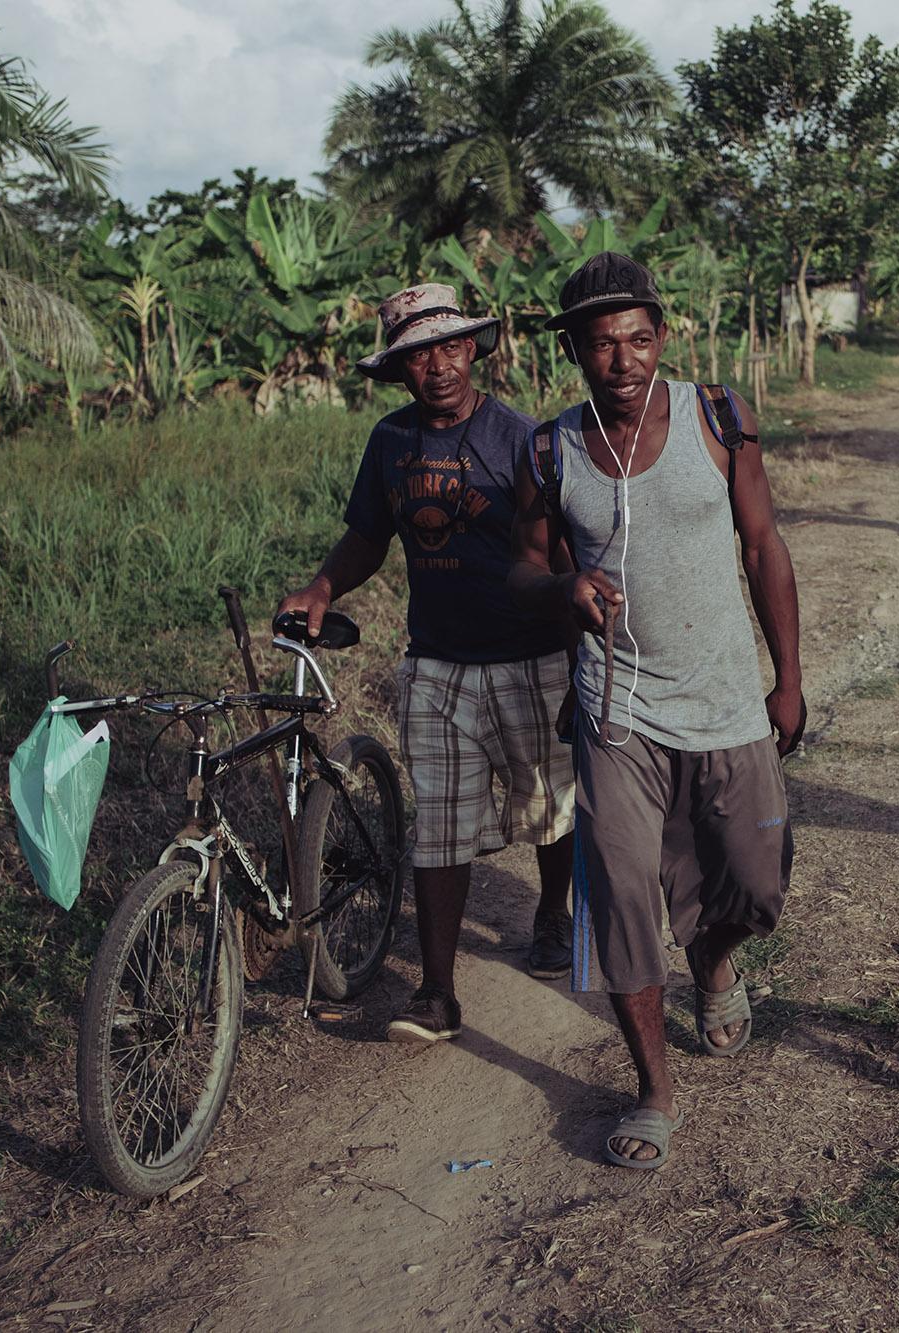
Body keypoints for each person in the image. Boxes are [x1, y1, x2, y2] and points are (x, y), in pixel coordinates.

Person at [508, 252, 806, 1171]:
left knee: (756, 888)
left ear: (662, 337)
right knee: (626, 891)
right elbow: (521, 568)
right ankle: (651, 1090)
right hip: (616, 711)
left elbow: (763, 544)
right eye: (603, 344)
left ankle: (714, 962)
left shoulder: (718, 417)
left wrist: (788, 677)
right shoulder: (550, 450)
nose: (623, 359)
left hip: (723, 700)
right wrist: (564, 586)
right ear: (575, 352)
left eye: (639, 338)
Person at [277, 282, 578, 1046]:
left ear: (473, 347)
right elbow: (368, 537)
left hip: (528, 653)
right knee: (439, 825)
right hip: (437, 661)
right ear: (399, 370)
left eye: (449, 347)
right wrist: (321, 585)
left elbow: (562, 552)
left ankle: (552, 911)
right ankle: (438, 994)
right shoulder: (391, 443)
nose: (438, 366)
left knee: (549, 804)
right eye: (418, 355)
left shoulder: (522, 439)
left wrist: (583, 649)